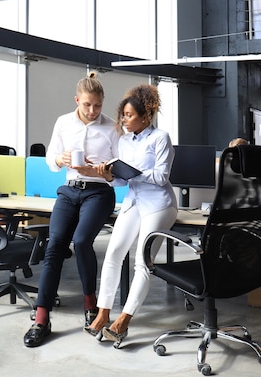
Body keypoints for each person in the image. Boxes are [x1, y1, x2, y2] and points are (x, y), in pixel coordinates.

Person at [24, 72, 120, 347]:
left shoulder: (112, 127)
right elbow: (51, 160)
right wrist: (60, 157)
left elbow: (120, 169)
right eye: (87, 104)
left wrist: (104, 171)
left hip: (99, 191)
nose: (93, 111)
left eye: (98, 105)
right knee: (54, 245)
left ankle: (91, 305)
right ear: (77, 100)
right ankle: (41, 319)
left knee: (81, 242)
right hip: (69, 190)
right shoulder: (63, 122)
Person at [85, 84, 178, 348]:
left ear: (145, 117)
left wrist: (131, 172)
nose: (124, 119)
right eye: (123, 114)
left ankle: (124, 319)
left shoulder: (160, 138)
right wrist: (109, 176)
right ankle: (103, 312)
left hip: (159, 204)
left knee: (142, 260)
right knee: (114, 253)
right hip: (133, 202)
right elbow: (121, 184)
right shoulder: (124, 141)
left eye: (129, 115)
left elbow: (161, 178)